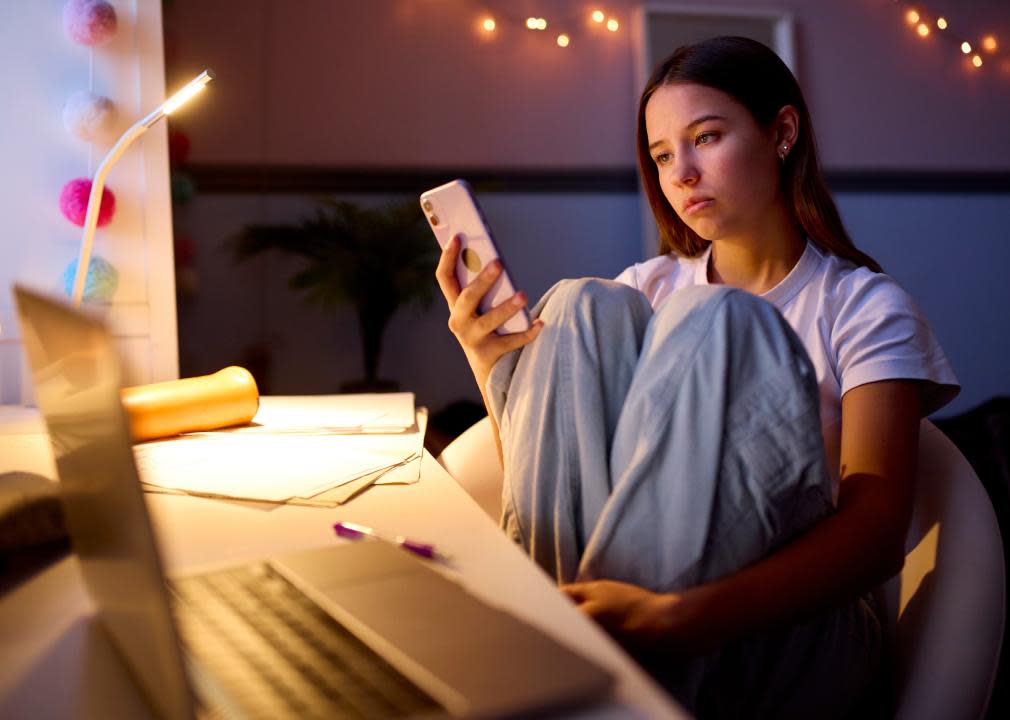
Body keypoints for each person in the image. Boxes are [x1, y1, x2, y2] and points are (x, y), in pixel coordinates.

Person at [435, 36, 958, 718]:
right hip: (607, 611)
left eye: (705, 138)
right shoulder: (637, 290)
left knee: (717, 320)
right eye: (660, 155)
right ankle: (563, 656)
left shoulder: (863, 306)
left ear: (783, 133)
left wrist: (684, 616)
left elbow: (877, 534)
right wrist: (486, 360)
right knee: (578, 304)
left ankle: (579, 672)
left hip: (782, 624)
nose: (680, 173)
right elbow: (558, 484)